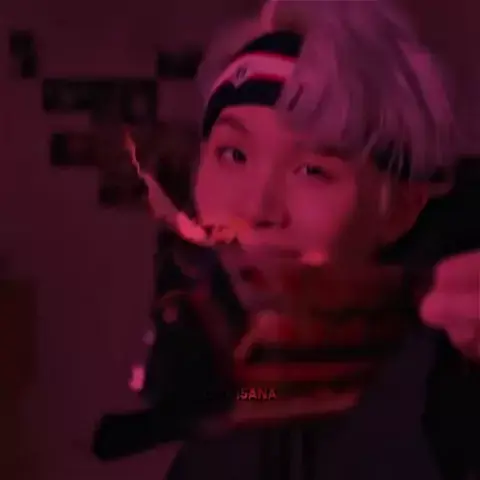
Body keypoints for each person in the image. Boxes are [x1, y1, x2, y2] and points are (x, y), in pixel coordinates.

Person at [92, 1, 480, 479]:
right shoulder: (226, 397)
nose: (257, 209)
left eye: (313, 170)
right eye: (233, 154)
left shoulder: (446, 404)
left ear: (402, 209)